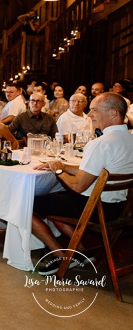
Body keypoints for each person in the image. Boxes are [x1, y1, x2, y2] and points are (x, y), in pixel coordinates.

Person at [32, 92, 133, 275]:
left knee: (27, 203)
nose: (90, 115)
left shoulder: (101, 143)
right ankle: (81, 252)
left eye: (94, 110)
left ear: (113, 114)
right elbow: (96, 172)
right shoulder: (129, 139)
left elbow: (79, 186)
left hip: (97, 209)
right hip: (119, 208)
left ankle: (63, 256)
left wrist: (59, 171)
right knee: (58, 200)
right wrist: (63, 165)